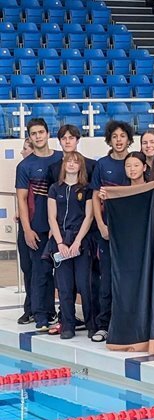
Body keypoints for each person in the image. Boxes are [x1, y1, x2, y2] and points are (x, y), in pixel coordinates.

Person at [15, 118, 62, 331]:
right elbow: (22, 200)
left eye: (41, 132)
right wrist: (27, 229)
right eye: (33, 133)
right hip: (38, 228)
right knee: (39, 273)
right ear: (30, 137)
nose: (38, 136)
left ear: (47, 133)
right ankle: (41, 315)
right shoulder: (25, 166)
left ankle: (59, 313)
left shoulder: (63, 159)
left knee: (62, 273)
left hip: (62, 229)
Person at [90, 120, 133, 343]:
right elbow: (95, 197)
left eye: (122, 136)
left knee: (128, 280)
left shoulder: (135, 162)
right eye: (114, 136)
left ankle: (127, 324)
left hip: (129, 234)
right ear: (110, 139)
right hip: (106, 232)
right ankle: (104, 325)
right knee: (106, 280)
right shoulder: (102, 164)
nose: (118, 140)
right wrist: (101, 225)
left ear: (128, 139)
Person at [46, 152, 94, 339]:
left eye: (76, 162)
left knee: (84, 284)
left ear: (81, 166)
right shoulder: (54, 188)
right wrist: (60, 243)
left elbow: (89, 216)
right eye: (69, 161)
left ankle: (91, 323)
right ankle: (68, 324)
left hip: (80, 241)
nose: (72, 165)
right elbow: (52, 217)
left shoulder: (87, 189)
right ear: (63, 165)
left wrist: (77, 242)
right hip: (61, 242)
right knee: (64, 286)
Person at [16, 138, 34, 325]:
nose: (22, 152)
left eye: (24, 148)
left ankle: (35, 308)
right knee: (27, 269)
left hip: (40, 226)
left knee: (39, 271)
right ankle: (30, 307)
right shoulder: (23, 170)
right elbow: (22, 198)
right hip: (25, 225)